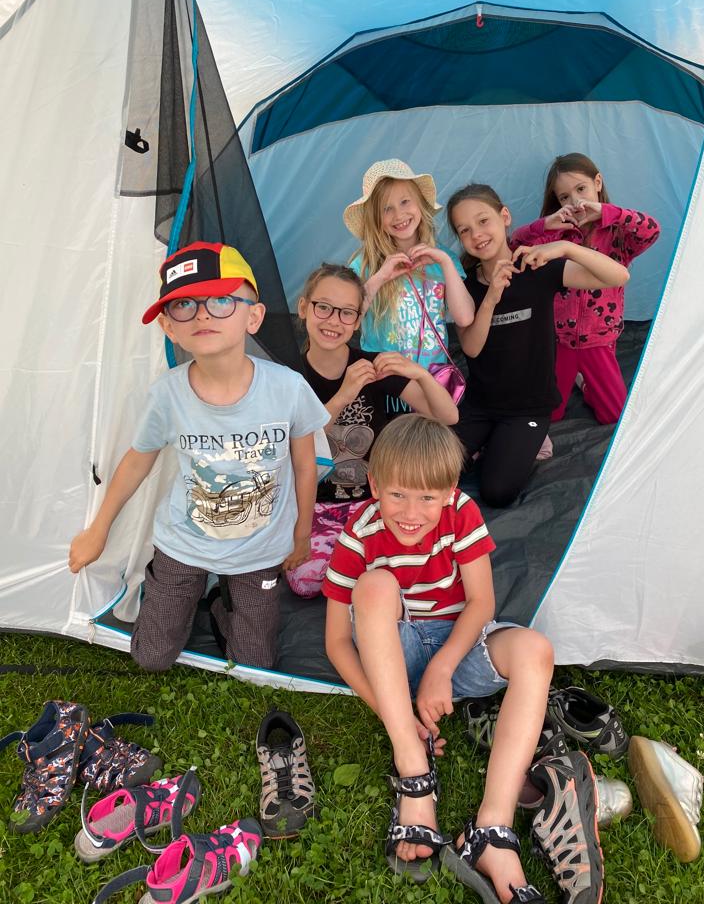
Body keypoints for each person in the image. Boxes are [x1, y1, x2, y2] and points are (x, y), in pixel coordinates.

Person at [323, 415, 592, 904]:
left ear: (450, 491)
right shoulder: (358, 533)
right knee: (375, 584)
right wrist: (396, 714)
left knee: (535, 649)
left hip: (458, 646)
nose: (411, 512)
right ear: (375, 485)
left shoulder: (462, 512)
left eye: (428, 498)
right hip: (394, 654)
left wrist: (443, 668)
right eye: (397, 494)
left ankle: (492, 830)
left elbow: (482, 603)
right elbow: (337, 642)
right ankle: (414, 773)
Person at [68, 241, 329, 672]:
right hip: (184, 544)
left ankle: (224, 608)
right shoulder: (167, 395)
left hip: (259, 550)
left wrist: (302, 533)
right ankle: (175, 596)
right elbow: (138, 460)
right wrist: (98, 530)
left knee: (255, 666)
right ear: (168, 327)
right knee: (151, 657)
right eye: (184, 305)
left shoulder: (288, 388)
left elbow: (305, 464)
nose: (203, 314)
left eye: (221, 300)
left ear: (254, 316)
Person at [447, 183, 630, 508]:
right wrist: (491, 298)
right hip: (480, 405)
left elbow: (618, 276)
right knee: (434, 473)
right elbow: (471, 349)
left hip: (527, 408)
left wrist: (566, 248)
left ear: (504, 216)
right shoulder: (466, 284)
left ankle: (524, 440)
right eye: (465, 230)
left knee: (496, 491)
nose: (477, 234)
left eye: (483, 221)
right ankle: (491, 442)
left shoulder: (536, 269)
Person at [286, 262, 459, 598]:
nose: (334, 321)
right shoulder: (288, 376)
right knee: (305, 581)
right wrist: (343, 395)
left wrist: (421, 374)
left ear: (357, 321)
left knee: (409, 569)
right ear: (304, 307)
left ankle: (358, 571)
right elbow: (296, 447)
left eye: (346, 313)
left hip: (372, 501)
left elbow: (448, 416)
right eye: (324, 307)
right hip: (313, 504)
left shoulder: (371, 365)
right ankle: (357, 568)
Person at [511, 153, 660, 424]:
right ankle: (576, 379)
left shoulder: (618, 233)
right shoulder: (555, 234)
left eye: (581, 189)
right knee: (550, 415)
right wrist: (545, 224)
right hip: (559, 341)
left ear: (597, 183)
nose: (575, 201)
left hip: (599, 340)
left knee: (613, 416)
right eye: (564, 197)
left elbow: (651, 230)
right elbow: (514, 245)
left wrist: (608, 212)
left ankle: (585, 382)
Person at [344, 159, 474, 386]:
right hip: (387, 382)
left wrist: (445, 262)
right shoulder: (364, 265)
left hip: (433, 380)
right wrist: (380, 278)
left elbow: (464, 318)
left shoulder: (443, 258)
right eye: (386, 209)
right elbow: (348, 318)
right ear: (375, 218)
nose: (399, 215)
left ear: (420, 204)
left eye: (405, 202)